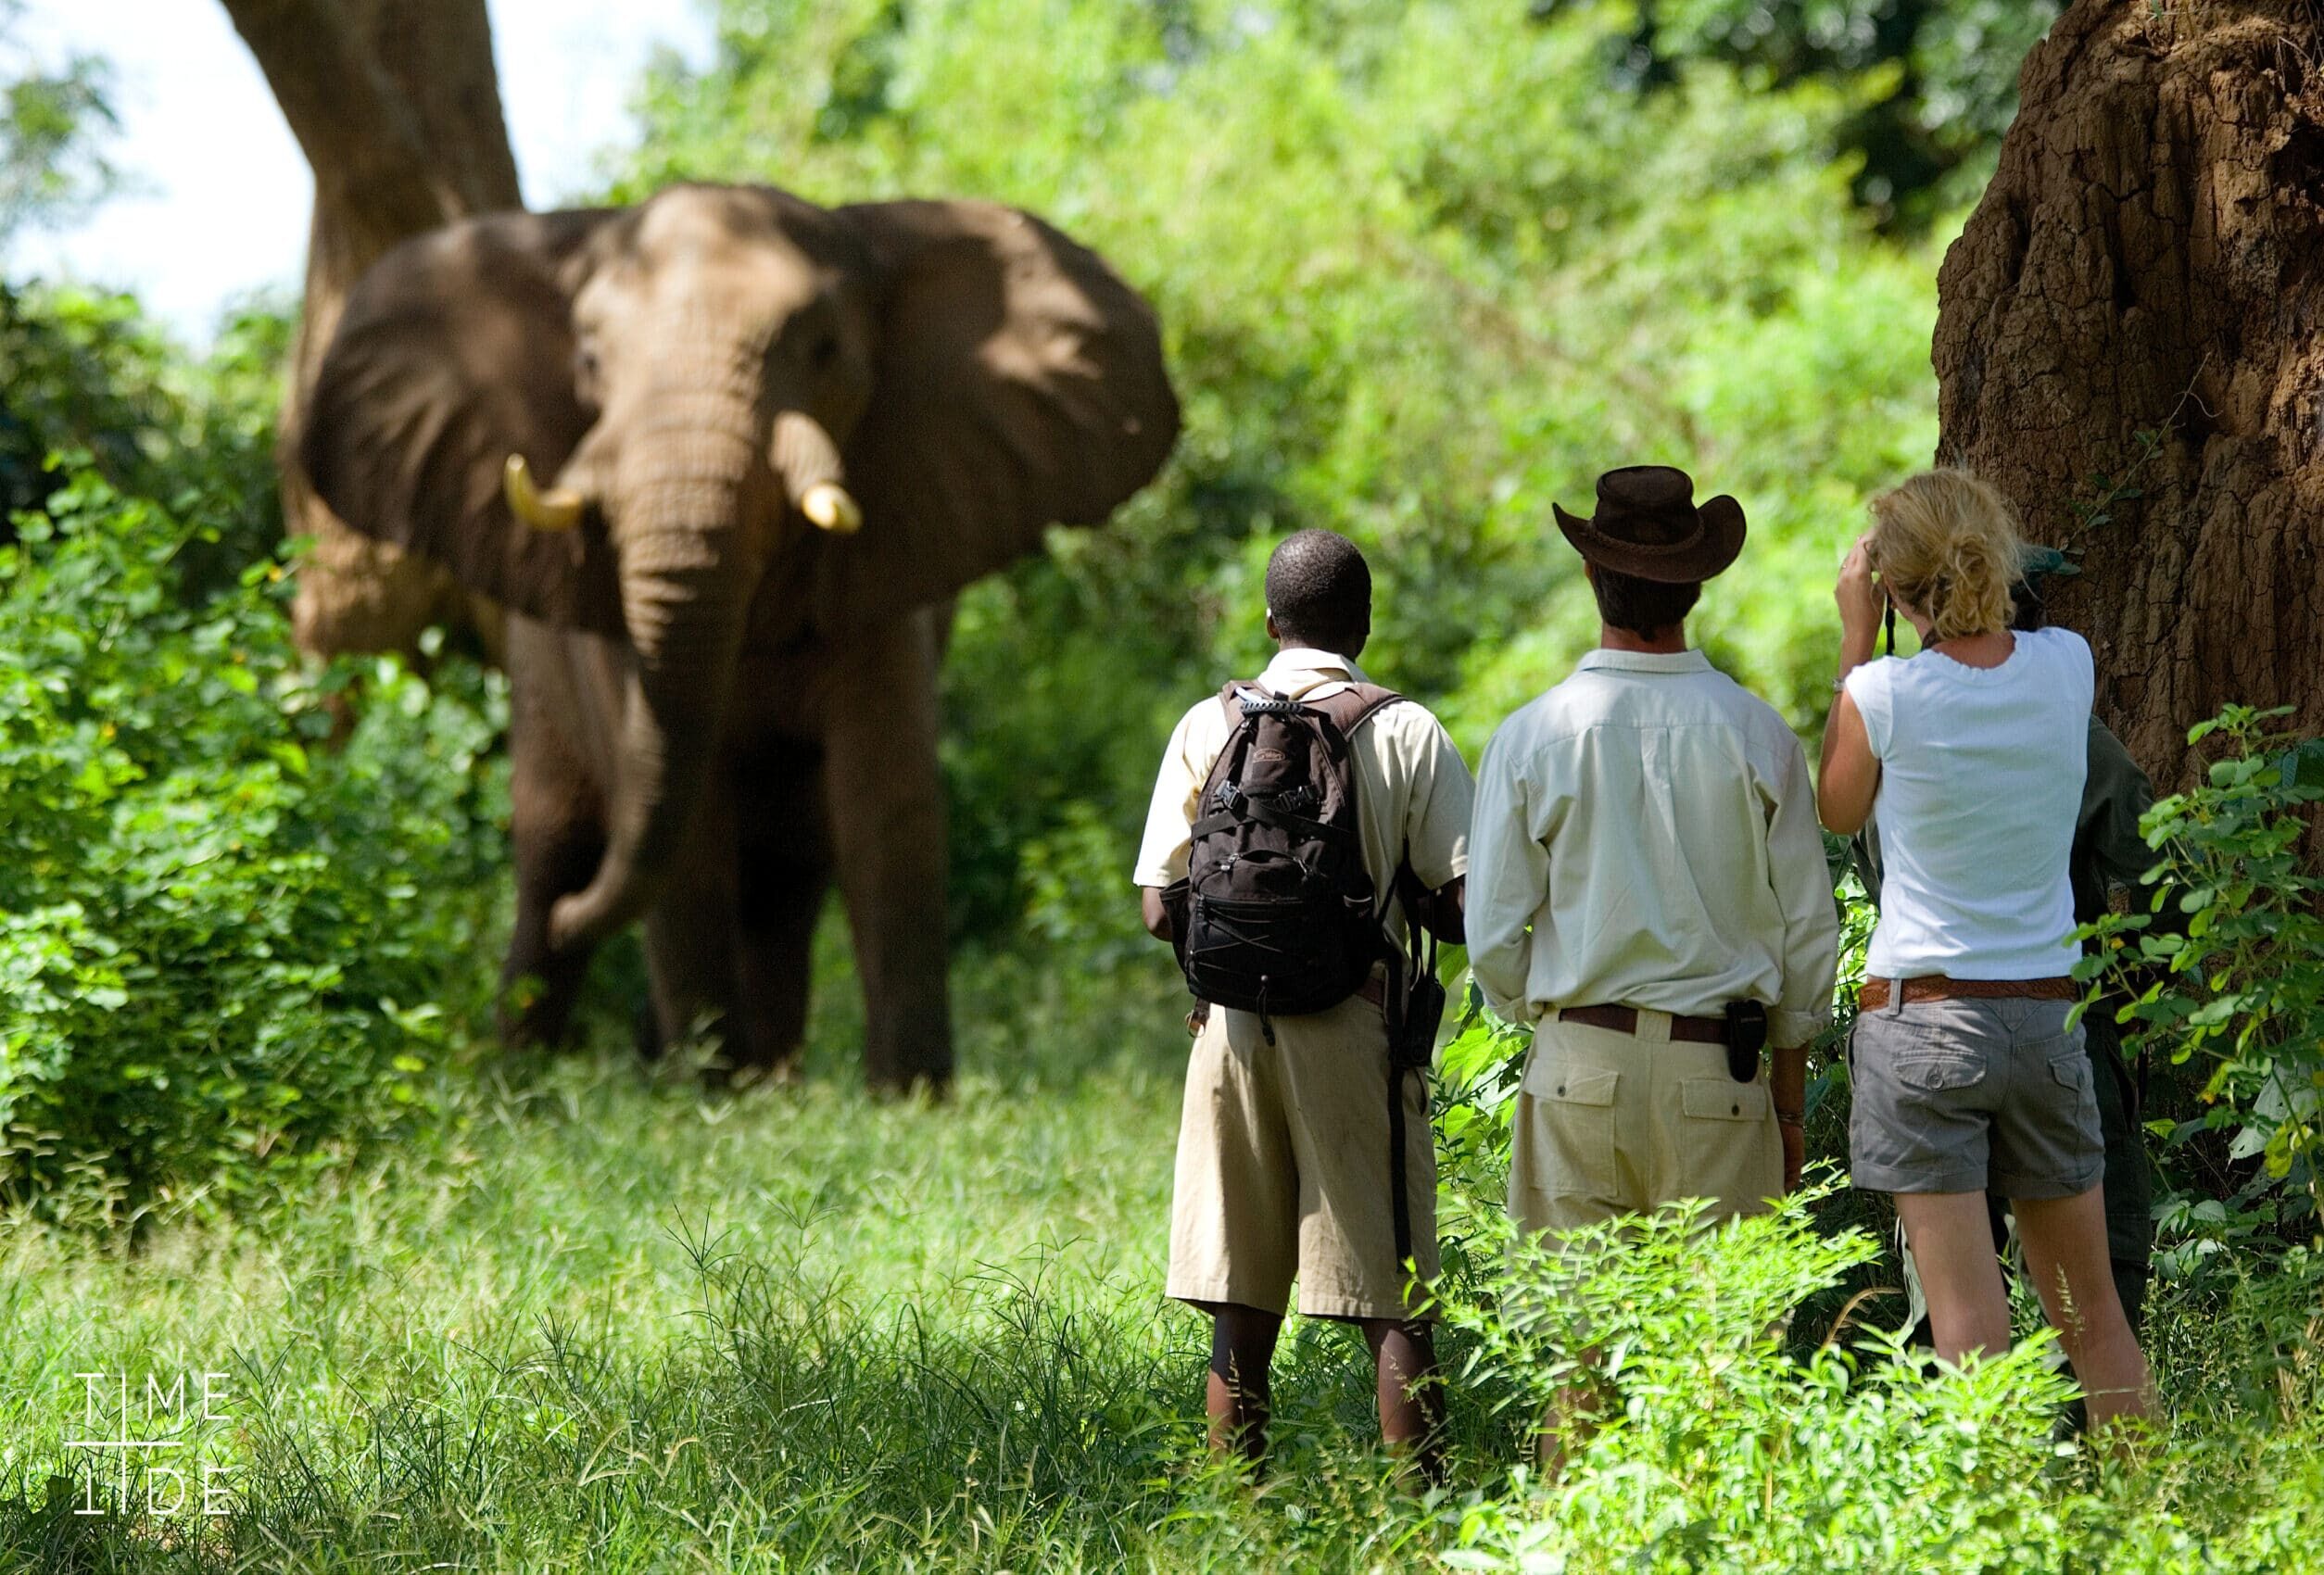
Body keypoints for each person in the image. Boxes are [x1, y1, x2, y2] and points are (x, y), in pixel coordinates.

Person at [1818, 468, 2154, 1431]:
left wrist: (1853, 639)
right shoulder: (2069, 665)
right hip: (2047, 1015)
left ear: (1893, 585)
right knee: (2093, 1321)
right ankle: (2148, 1519)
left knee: (1970, 1325)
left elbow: (1839, 813)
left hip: (1923, 1021)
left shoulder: (1881, 692)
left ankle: (1994, 1533)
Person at [1133, 528, 1473, 1478]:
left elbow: (1161, 904)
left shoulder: (1210, 723)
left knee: (1240, 1302)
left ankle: (1237, 1513)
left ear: (1270, 621)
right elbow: (1459, 903)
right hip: (1355, 1023)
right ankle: (1423, 1513)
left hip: (1230, 1031)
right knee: (1394, 1289)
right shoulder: (1403, 726)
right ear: (1362, 623)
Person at [1469, 465, 1839, 1244]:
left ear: (1589, 573)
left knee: (1578, 1351)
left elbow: (1494, 936)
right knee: (1721, 1355)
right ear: (1697, 584)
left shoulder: (1533, 736)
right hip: (1720, 1079)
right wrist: (1787, 1100)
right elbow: (1808, 929)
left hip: (1578, 1067)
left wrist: (1542, 1012)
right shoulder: (1756, 734)